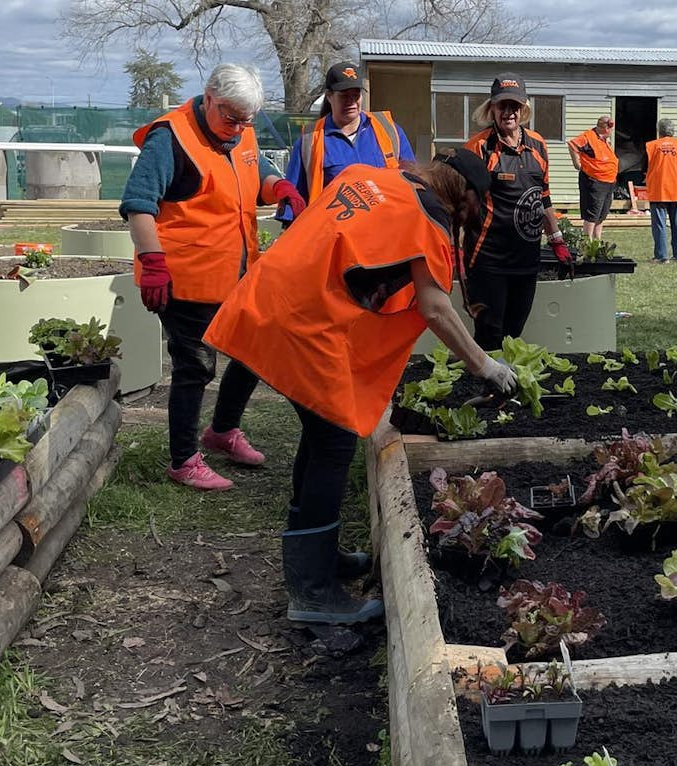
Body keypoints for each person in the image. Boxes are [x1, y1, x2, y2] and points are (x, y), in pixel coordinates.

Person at [204, 151, 517, 626]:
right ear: (464, 194)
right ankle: (313, 593)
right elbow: (435, 309)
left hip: (270, 297)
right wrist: (485, 366)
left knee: (319, 432)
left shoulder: (366, 177)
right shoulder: (426, 216)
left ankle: (319, 554)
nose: (469, 218)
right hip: (304, 322)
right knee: (334, 439)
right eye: (474, 207)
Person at [122, 64, 307, 491]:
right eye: (230, 117)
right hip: (183, 278)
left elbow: (255, 168)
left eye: (247, 120)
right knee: (196, 367)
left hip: (235, 274)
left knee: (253, 350)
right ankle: (183, 460)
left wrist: (279, 186)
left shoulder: (239, 131)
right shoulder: (170, 138)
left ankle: (222, 432)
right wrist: (152, 262)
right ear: (208, 97)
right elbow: (138, 203)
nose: (238, 128)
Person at [463, 73, 571, 349]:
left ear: (523, 109)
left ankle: (507, 391)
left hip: (526, 259)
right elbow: (459, 207)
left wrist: (557, 239)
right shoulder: (478, 148)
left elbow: (543, 198)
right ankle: (485, 390)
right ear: (492, 109)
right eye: (502, 106)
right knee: (489, 337)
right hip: (488, 261)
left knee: (513, 336)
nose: (509, 112)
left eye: (514, 106)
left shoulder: (538, 145)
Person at [279, 61, 415, 224]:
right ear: (329, 96)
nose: (351, 102)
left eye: (355, 95)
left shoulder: (389, 130)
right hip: (333, 237)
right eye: (344, 96)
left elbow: (412, 186)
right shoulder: (310, 139)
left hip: (386, 232)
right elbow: (294, 202)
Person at [645, 118, 677, 263]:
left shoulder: (651, 146)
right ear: (673, 130)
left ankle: (661, 256)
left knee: (659, 225)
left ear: (659, 131)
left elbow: (643, 168)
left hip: (659, 190)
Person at [568, 115, 619, 240]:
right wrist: (577, 163)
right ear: (605, 128)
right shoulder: (589, 136)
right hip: (594, 182)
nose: (612, 131)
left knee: (601, 215)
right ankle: (587, 242)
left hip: (608, 182)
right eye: (610, 128)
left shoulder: (604, 140)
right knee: (592, 214)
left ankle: (597, 241)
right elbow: (573, 145)